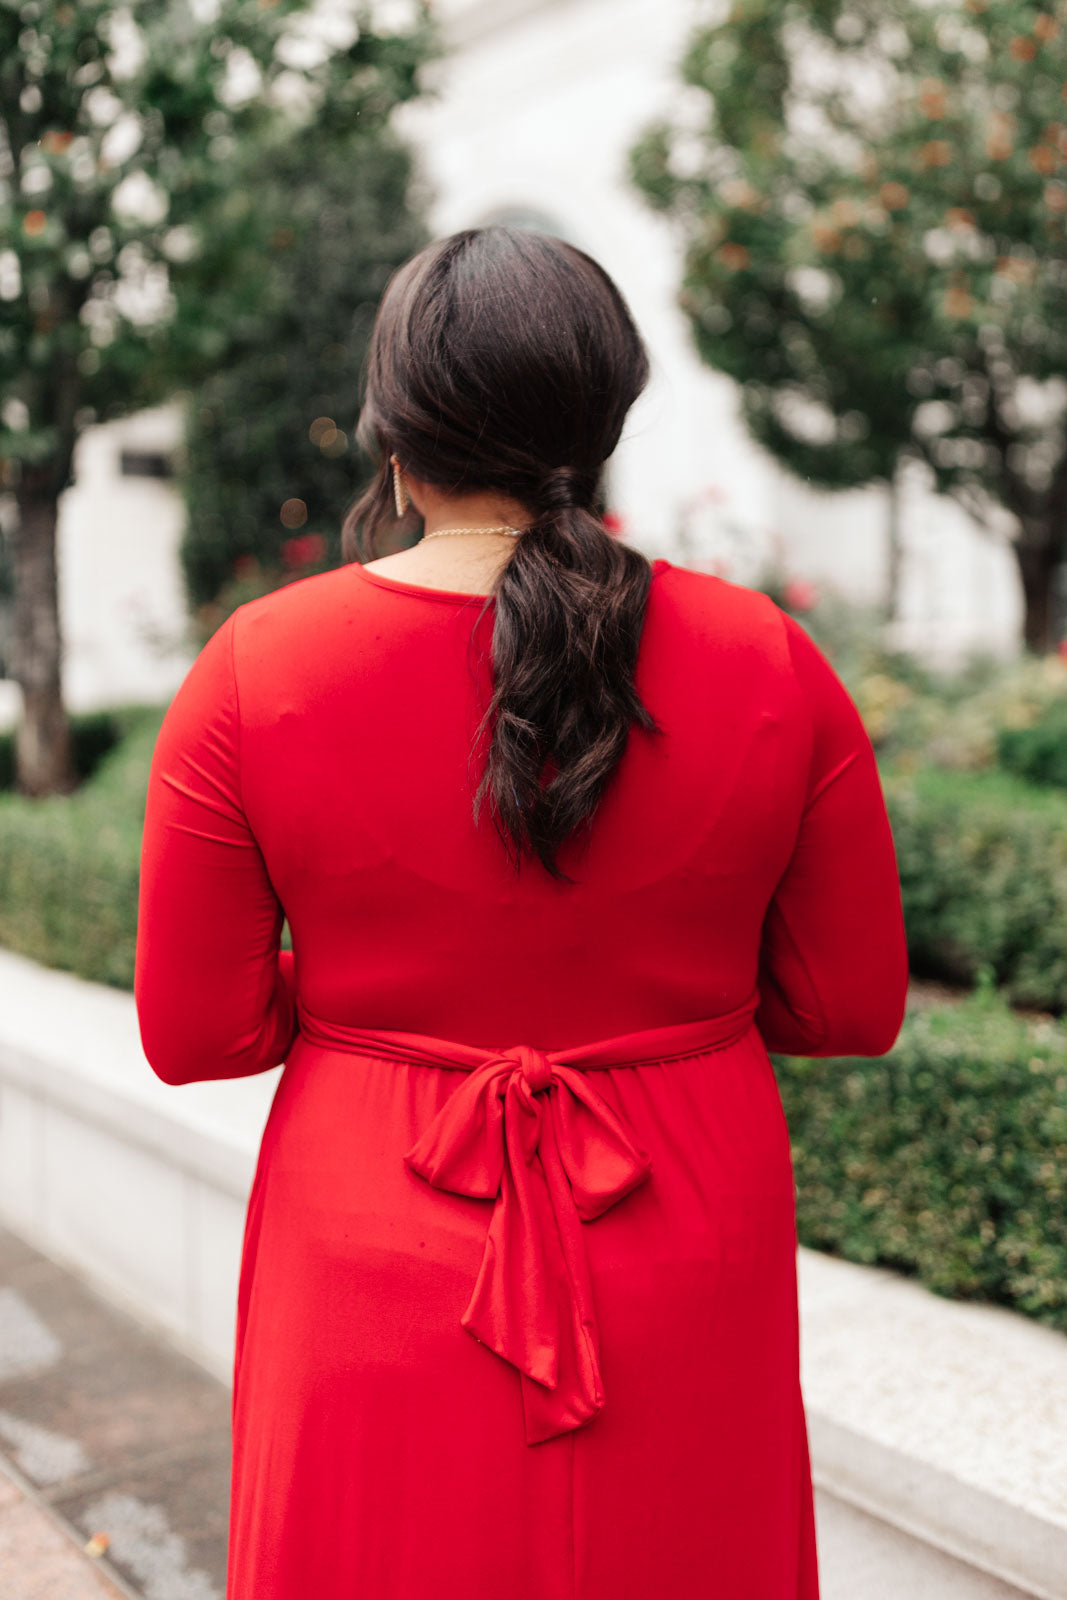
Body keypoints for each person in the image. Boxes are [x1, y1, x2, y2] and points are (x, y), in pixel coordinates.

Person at [134, 225, 908, 1600]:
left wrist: (390, 1006)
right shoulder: (771, 662)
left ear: (393, 431)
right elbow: (849, 1010)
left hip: (372, 1223)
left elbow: (199, 1034)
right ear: (604, 422)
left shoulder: (257, 669)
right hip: (685, 1226)